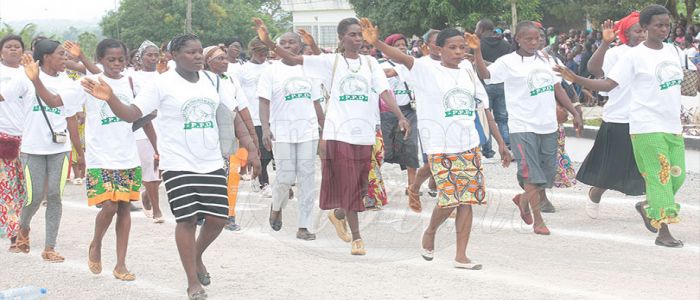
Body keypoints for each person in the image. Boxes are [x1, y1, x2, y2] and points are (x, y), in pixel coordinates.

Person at [81, 34, 261, 299]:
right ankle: (192, 283)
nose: (198, 56)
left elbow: (232, 115)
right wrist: (110, 99)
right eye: (191, 52)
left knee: (217, 219)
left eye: (200, 51)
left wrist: (252, 148)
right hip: (177, 163)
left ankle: (196, 255)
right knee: (186, 220)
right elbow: (133, 114)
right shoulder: (161, 84)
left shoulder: (213, 81)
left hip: (210, 161)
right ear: (174, 56)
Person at [253, 17, 410, 255]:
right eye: (352, 35)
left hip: (365, 133)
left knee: (360, 186)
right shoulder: (329, 62)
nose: (357, 39)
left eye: (360, 35)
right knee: (346, 183)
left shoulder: (371, 64)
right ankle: (357, 238)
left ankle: (339, 215)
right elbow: (294, 59)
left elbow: (385, 91)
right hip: (338, 133)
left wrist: (400, 116)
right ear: (341, 38)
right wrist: (270, 45)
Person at [362, 19, 511, 268]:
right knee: (451, 199)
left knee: (468, 199)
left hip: (469, 144)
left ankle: (461, 255)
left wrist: (502, 144)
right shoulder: (424, 69)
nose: (458, 52)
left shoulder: (467, 70)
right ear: (438, 49)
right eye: (452, 47)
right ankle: (431, 230)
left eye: (462, 47)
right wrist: (376, 42)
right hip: (440, 144)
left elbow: (484, 108)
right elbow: (401, 58)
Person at [555, 5, 692, 248]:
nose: (664, 29)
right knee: (659, 178)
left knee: (676, 176)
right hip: (645, 126)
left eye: (667, 25)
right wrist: (575, 79)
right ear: (646, 27)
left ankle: (649, 206)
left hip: (671, 124)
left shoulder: (672, 50)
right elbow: (608, 84)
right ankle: (663, 231)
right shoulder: (633, 55)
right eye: (658, 25)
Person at [469, 21, 584, 235]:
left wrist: (575, 112)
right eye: (528, 39)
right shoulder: (507, 62)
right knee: (531, 174)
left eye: (537, 38)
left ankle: (523, 199)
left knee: (548, 175)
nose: (534, 42)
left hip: (548, 125)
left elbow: (557, 87)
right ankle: (538, 220)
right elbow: (485, 75)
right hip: (522, 126)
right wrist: (476, 52)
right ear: (518, 40)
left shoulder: (548, 60)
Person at [52, 38, 146, 281]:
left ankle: (121, 264)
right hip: (100, 156)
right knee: (110, 205)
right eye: (111, 59)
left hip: (127, 155)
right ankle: (96, 244)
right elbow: (58, 102)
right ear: (100, 60)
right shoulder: (89, 83)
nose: (116, 64)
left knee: (125, 208)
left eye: (121, 59)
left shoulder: (131, 81)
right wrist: (35, 81)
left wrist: (156, 148)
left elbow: (142, 115)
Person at [5, 40, 84, 262]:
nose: (65, 59)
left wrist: (79, 153)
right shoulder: (23, 77)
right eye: (61, 55)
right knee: (34, 195)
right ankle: (24, 228)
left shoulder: (69, 83)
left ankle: (50, 247)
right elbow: (3, 96)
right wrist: (31, 77)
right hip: (32, 148)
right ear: (47, 57)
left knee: (54, 196)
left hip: (60, 149)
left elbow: (65, 114)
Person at [578, 13, 647, 219]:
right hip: (619, 117)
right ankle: (595, 193)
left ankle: (652, 207)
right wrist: (604, 44)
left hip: (646, 119)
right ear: (626, 34)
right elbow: (594, 69)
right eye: (637, 31)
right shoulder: (618, 53)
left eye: (644, 30)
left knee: (649, 166)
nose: (642, 35)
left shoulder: (653, 52)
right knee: (612, 167)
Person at [258, 31, 325, 240]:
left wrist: (325, 129)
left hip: (308, 131)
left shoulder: (308, 69)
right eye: (283, 43)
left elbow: (316, 102)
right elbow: (264, 101)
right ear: (276, 47)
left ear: (299, 46)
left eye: (292, 42)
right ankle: (276, 206)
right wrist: (266, 128)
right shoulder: (271, 71)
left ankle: (304, 226)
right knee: (285, 177)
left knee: (307, 178)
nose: (287, 46)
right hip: (282, 131)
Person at [202, 44, 259, 231]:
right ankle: (206, 212)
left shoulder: (231, 79)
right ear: (207, 62)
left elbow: (241, 108)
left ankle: (229, 215)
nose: (225, 61)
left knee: (231, 175)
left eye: (226, 58)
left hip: (230, 133)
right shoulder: (200, 81)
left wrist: (252, 136)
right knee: (209, 174)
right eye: (220, 58)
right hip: (207, 136)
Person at [379, 33, 420, 195]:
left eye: (404, 44)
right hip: (387, 112)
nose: (402, 47)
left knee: (411, 147)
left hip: (410, 110)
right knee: (384, 150)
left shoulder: (412, 64)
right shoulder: (380, 65)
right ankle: (373, 184)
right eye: (397, 45)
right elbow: (388, 73)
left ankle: (412, 187)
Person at [131, 40, 165, 223]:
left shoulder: (165, 77)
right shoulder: (133, 78)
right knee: (150, 168)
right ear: (140, 57)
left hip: (165, 128)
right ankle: (157, 210)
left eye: (155, 55)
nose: (153, 58)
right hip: (144, 129)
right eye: (149, 55)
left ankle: (147, 195)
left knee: (161, 172)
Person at [0, 35, 27, 251]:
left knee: (24, 187)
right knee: (7, 187)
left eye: (17, 47)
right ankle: (13, 234)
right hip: (3, 136)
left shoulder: (30, 73)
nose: (13, 50)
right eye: (8, 47)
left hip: (29, 137)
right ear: (1, 52)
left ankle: (20, 227)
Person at [237, 38, 273, 196]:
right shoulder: (243, 70)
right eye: (259, 52)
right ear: (252, 51)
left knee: (270, 154)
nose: (263, 55)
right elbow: (237, 94)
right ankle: (263, 183)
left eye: (265, 52)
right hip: (252, 116)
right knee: (261, 153)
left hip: (270, 116)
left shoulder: (271, 68)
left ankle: (256, 176)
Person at [475, 19, 513, 160]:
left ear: (483, 29)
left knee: (486, 117)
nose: (476, 31)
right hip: (503, 84)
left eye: (477, 28)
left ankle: (488, 150)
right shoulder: (505, 44)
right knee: (502, 118)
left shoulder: (478, 45)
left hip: (484, 84)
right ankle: (508, 145)